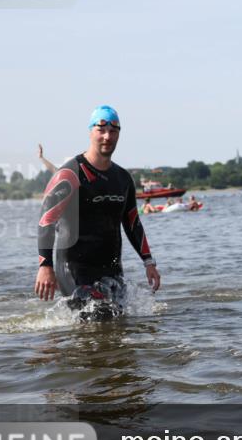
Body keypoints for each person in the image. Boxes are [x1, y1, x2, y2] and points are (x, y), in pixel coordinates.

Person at [34, 106, 161, 319]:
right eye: (101, 130)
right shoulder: (69, 174)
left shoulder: (122, 178)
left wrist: (149, 263)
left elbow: (132, 223)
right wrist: (45, 266)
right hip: (74, 268)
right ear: (90, 131)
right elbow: (46, 221)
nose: (107, 136)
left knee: (119, 323)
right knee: (97, 318)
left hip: (111, 267)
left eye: (113, 131)